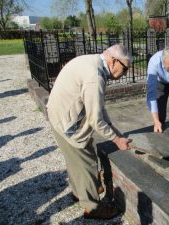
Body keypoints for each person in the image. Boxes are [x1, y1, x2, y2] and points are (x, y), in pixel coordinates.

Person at [47, 44, 133, 219]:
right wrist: (117, 139)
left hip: (58, 114)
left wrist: (114, 129)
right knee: (86, 162)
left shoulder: (93, 62)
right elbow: (95, 119)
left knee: (74, 160)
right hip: (67, 122)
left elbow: (97, 107)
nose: (125, 73)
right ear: (114, 60)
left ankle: (80, 192)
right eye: (124, 69)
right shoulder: (95, 77)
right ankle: (92, 207)